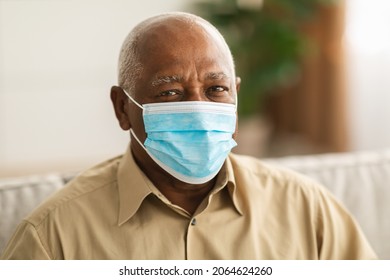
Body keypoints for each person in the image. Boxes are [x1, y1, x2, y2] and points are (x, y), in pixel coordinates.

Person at [1, 12, 377, 260]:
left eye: (216, 90)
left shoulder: (307, 209)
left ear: (236, 95)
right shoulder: (53, 236)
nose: (198, 109)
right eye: (169, 93)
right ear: (122, 108)